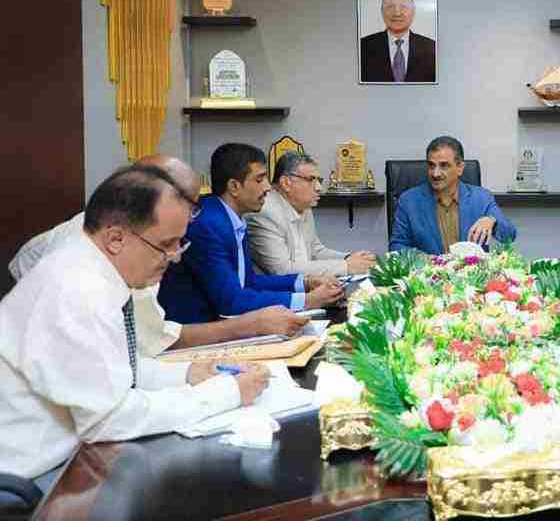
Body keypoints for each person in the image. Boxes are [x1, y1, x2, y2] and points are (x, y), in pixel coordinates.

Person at [0, 165, 270, 489]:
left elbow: (108, 370)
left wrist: (189, 373)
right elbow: (108, 420)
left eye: (179, 244)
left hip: (71, 456)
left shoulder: (92, 268)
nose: (175, 257)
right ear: (116, 238)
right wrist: (228, 392)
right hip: (37, 479)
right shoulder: (78, 291)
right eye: (166, 245)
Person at [7, 154, 308, 353]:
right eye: (188, 206)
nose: (175, 255)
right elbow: (110, 403)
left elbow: (154, 339)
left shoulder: (135, 246)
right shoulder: (79, 274)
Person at [159, 144, 343, 324]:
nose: (268, 187)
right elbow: (232, 303)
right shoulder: (208, 224)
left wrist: (305, 282)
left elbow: (248, 282)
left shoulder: (230, 217)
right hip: (199, 332)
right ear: (234, 186)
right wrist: (308, 300)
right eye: (259, 180)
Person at [246, 151, 377, 276]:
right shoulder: (264, 213)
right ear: (286, 183)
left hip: (308, 285)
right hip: (278, 291)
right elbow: (282, 271)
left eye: (319, 180)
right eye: (311, 180)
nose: (319, 188)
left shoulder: (303, 206)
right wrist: (346, 266)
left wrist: (349, 258)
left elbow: (315, 251)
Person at [389, 136, 516, 254]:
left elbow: (510, 235)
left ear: (460, 168)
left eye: (444, 165)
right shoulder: (408, 201)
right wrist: (427, 260)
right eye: (431, 165)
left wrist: (492, 220)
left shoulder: (481, 197)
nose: (435, 173)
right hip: (427, 270)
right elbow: (397, 246)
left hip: (472, 270)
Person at [360, 0, 436, 83]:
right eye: (390, 7)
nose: (397, 13)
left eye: (403, 7)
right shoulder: (362, 47)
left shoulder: (432, 48)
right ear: (382, 11)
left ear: (413, 12)